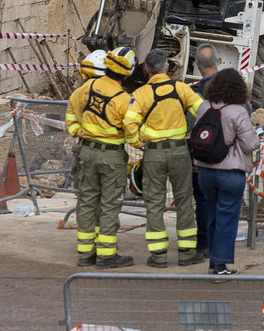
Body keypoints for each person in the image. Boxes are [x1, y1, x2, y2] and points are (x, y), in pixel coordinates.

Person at [125, 49, 206, 267]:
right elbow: (205, 112)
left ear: (146, 70)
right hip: (180, 152)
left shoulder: (141, 94)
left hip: (154, 153)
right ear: (167, 68)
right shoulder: (182, 89)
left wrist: (138, 142)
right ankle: (187, 253)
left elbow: (129, 124)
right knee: (184, 201)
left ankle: (159, 256)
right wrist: (194, 134)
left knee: (154, 203)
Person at [65, 47, 136, 269]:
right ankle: (106, 256)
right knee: (109, 205)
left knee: (86, 202)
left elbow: (70, 117)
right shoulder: (125, 100)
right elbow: (132, 135)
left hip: (86, 153)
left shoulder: (85, 88)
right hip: (111, 157)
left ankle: (85, 254)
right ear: (126, 74)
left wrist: (82, 133)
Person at [193, 69, 260, 276]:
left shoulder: (204, 107)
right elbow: (250, 145)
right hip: (230, 172)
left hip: (205, 171)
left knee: (212, 215)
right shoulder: (238, 111)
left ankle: (213, 261)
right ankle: (221, 266)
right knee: (227, 219)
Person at [189, 43, 220, 260]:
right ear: (218, 61)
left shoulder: (196, 94)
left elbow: (192, 128)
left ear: (198, 65)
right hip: (229, 156)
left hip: (203, 155)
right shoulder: (234, 87)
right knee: (225, 201)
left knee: (203, 200)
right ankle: (221, 245)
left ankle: (204, 244)